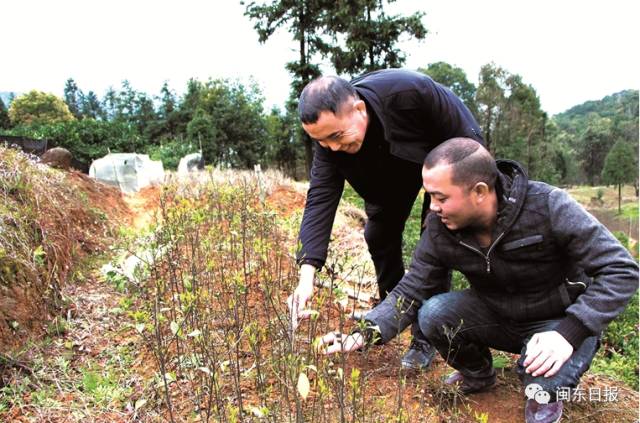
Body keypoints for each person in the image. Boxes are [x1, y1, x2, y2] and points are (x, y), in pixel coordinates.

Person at [319, 138, 639, 423]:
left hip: (556, 322)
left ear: (480, 192)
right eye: (429, 196)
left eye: (441, 197)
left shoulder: (548, 206)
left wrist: (570, 332)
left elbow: (621, 270)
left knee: (542, 386)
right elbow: (413, 287)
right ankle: (478, 375)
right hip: (497, 314)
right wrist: (365, 334)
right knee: (433, 313)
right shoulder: (439, 227)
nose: (432, 207)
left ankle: (548, 395)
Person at [288, 69, 484, 370]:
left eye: (337, 137)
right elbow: (320, 199)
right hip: (386, 176)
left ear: (359, 109)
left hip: (443, 161)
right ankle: (391, 308)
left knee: (433, 244)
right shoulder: (329, 139)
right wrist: (306, 278)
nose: (334, 148)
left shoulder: (411, 94)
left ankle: (425, 337)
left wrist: (449, 199)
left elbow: (468, 142)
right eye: (323, 142)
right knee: (378, 236)